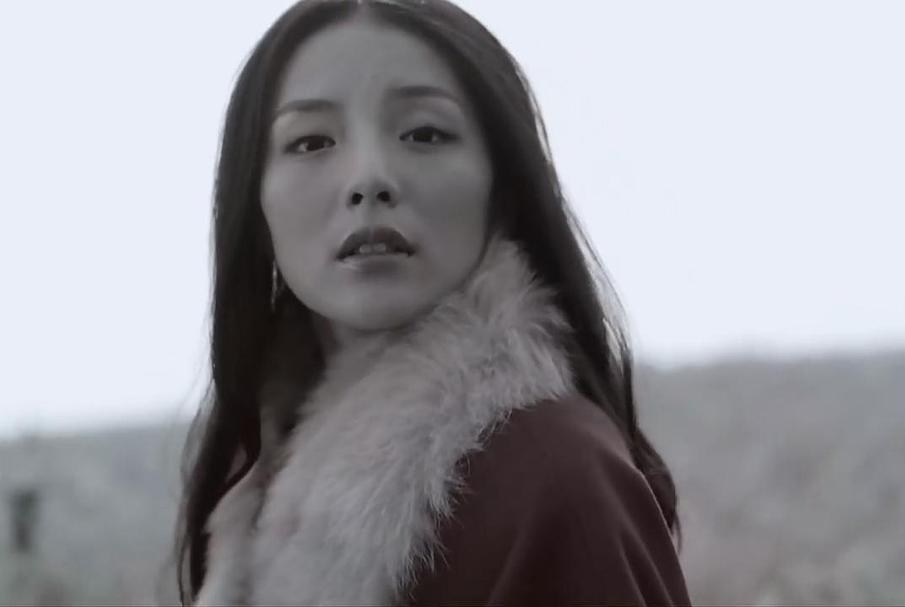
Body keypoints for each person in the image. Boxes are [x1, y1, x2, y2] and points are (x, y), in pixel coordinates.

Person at [174, 0, 691, 604]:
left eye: (424, 134)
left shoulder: (557, 476)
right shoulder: (255, 487)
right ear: (255, 202)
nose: (369, 178)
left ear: (503, 187)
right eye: (311, 141)